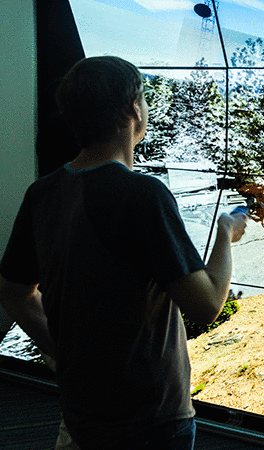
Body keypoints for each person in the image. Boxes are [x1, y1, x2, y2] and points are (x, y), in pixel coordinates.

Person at [0, 56, 248, 449]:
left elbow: (13, 291)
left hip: (82, 412)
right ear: (133, 108)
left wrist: (61, 350)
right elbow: (206, 305)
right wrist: (224, 234)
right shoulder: (142, 195)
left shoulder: (42, 194)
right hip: (152, 417)